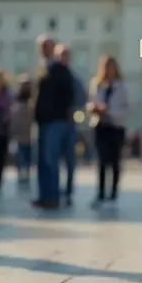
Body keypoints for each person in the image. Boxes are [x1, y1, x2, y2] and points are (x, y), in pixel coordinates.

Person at [33, 35, 75, 210]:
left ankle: (52, 197)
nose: (45, 50)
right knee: (43, 161)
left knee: (51, 160)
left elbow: (69, 95)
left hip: (55, 121)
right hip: (44, 121)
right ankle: (45, 196)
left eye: (48, 46)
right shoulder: (44, 69)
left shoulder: (59, 70)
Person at [89, 55, 129, 206]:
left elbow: (126, 109)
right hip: (100, 126)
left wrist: (110, 111)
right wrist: (94, 108)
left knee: (115, 161)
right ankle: (100, 193)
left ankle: (113, 193)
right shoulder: (97, 84)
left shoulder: (122, 87)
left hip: (116, 127)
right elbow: (91, 101)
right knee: (101, 161)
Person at [57, 46, 87, 206]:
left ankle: (68, 190)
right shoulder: (53, 74)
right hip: (56, 121)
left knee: (70, 159)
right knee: (55, 159)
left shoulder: (73, 78)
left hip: (69, 122)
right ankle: (57, 190)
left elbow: (82, 96)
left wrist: (74, 108)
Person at [9, 78, 34, 188]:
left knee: (28, 156)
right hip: (20, 132)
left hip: (30, 133)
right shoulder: (17, 99)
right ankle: (20, 175)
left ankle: (26, 175)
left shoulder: (32, 99)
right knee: (20, 156)